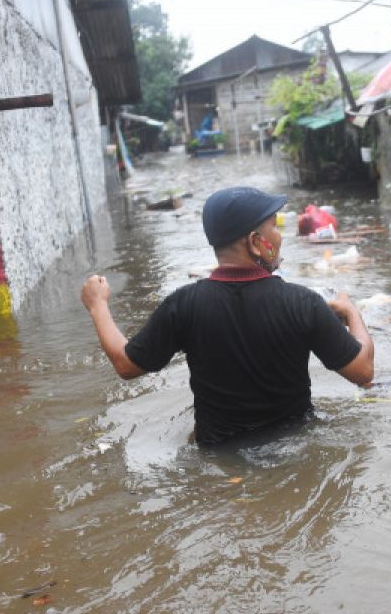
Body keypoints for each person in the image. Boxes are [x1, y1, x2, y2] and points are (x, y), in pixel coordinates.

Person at [80, 186, 374, 446]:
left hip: (218, 457)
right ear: (255, 241)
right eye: (275, 226)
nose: (280, 237)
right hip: (294, 446)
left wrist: (98, 306)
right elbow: (363, 372)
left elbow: (126, 365)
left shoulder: (183, 306)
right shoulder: (303, 303)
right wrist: (351, 312)